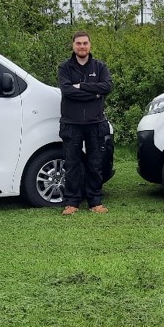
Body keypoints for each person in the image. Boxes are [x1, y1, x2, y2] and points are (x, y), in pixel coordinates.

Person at [58, 30, 113, 215]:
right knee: (72, 163)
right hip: (71, 123)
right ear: (73, 46)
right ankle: (72, 202)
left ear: (90, 45)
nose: (82, 46)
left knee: (95, 163)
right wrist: (94, 94)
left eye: (85, 43)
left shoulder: (100, 67)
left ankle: (95, 201)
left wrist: (81, 86)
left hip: (95, 123)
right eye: (78, 43)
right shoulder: (65, 67)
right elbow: (67, 91)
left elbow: (107, 86)